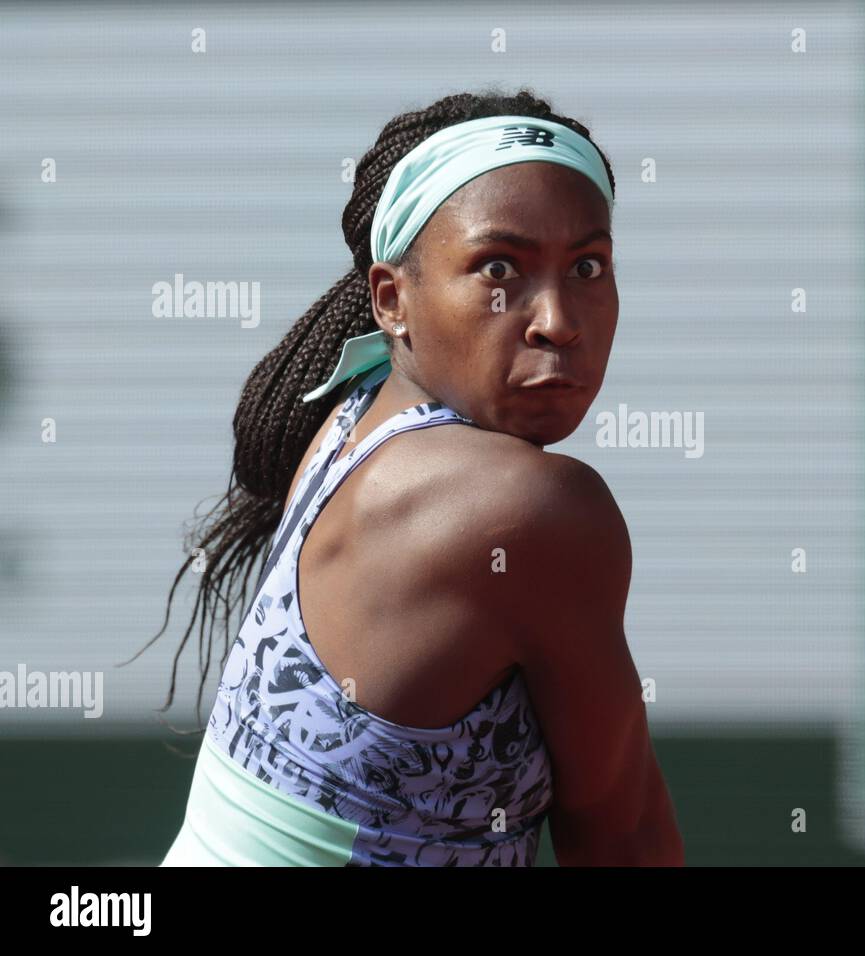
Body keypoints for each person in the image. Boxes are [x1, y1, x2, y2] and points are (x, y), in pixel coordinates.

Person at [140, 88, 683, 866]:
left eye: (588, 266)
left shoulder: (354, 405)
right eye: (500, 267)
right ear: (392, 300)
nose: (558, 320)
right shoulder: (528, 510)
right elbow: (621, 835)